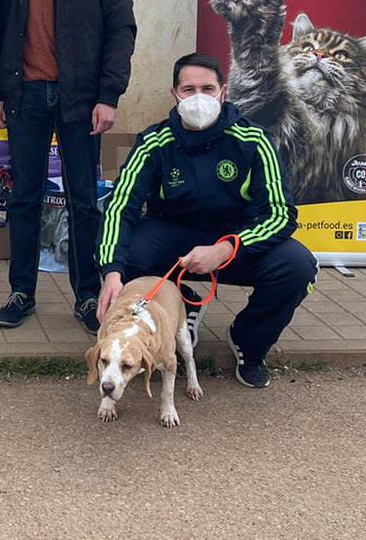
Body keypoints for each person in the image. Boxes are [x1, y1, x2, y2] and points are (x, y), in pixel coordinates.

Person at [95, 52, 318, 388]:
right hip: (174, 239)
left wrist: (228, 247)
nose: (199, 98)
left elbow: (280, 213)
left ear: (223, 92)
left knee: (298, 265)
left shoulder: (256, 141)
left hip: (236, 242)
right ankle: (182, 306)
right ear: (174, 95)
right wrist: (111, 272)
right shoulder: (154, 141)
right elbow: (119, 207)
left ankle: (249, 342)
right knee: (128, 254)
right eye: (188, 89)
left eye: (207, 88)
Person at [0, 0, 136, 334]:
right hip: (25, 94)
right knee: (25, 197)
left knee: (84, 200)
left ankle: (88, 296)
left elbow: (121, 29)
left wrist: (108, 95)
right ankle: (21, 291)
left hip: (81, 99)